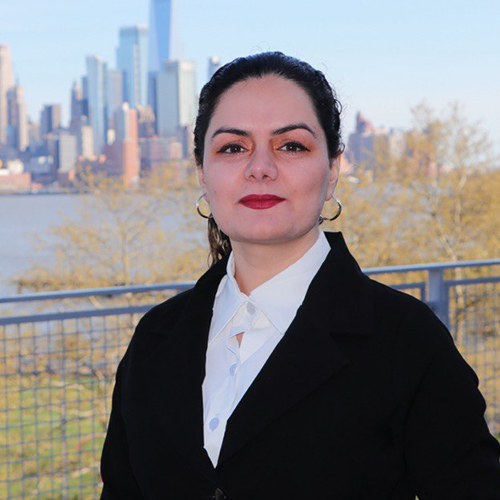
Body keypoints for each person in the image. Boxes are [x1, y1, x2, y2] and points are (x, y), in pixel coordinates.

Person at [99, 52, 500, 499]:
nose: (260, 167)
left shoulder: (405, 340)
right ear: (202, 173)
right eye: (233, 147)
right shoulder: (155, 337)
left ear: (333, 171)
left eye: (292, 145)